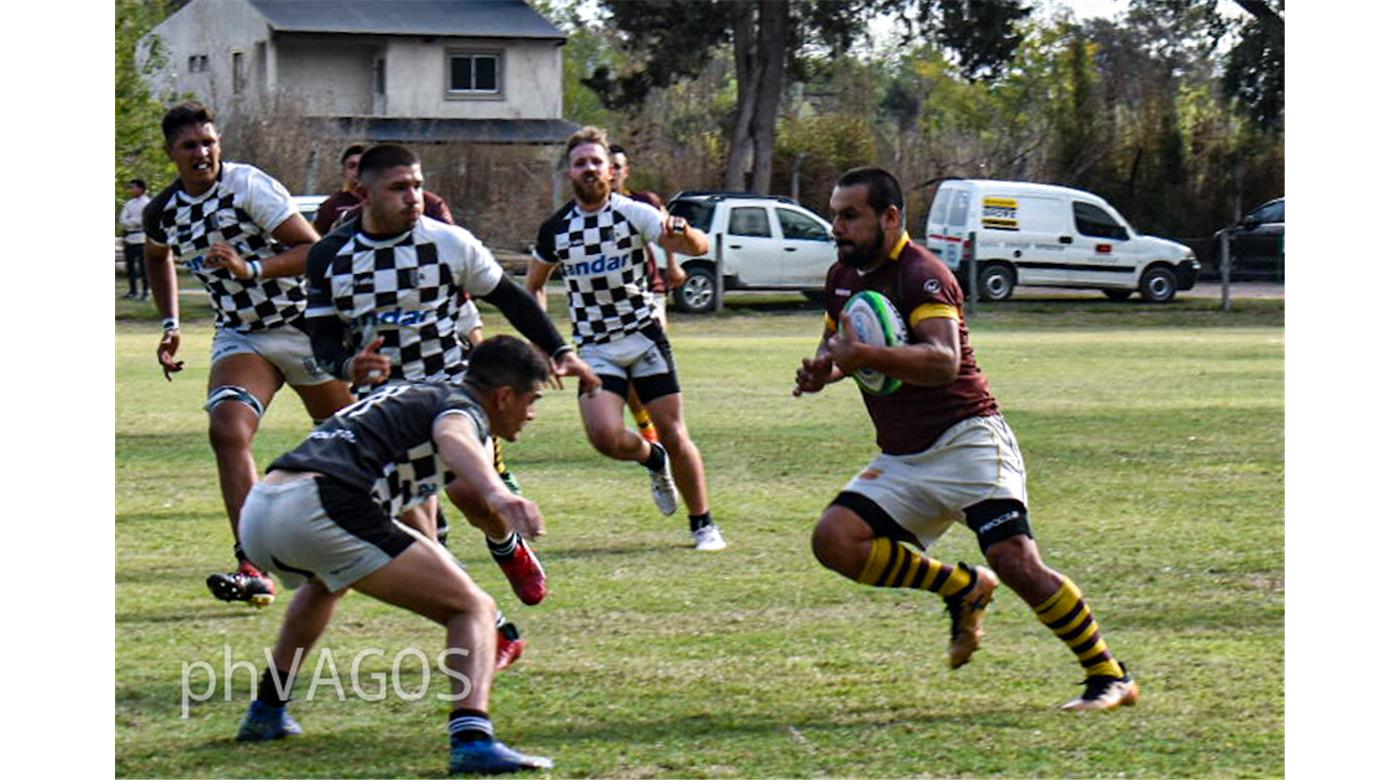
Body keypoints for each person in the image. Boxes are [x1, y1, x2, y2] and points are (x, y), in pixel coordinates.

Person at [794, 167, 1139, 712]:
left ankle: (1109, 675)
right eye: (835, 214)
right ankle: (959, 587)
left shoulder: (922, 274)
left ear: (889, 218)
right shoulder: (843, 275)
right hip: (905, 455)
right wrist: (824, 372)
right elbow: (839, 347)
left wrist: (862, 359)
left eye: (849, 215)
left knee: (1016, 561)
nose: (837, 226)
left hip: (968, 441)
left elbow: (941, 361)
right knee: (835, 540)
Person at [234, 335, 556, 775]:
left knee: (328, 583)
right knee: (473, 609)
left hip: (262, 508)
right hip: (321, 504)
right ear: (503, 396)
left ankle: (267, 710)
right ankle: (473, 740)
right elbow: (453, 434)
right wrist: (498, 494)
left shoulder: (414, 395)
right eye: (531, 400)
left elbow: (409, 516)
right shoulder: (463, 409)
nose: (532, 414)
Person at [304, 143, 601, 610]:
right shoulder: (328, 257)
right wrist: (347, 365)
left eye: (418, 185)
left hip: (452, 393)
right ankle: (490, 623)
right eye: (400, 188)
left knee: (471, 497)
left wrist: (560, 349)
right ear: (362, 192)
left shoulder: (448, 242)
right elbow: (321, 341)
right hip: (384, 409)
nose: (414, 197)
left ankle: (506, 547)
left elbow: (510, 297)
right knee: (419, 532)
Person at [142, 101, 355, 608]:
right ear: (171, 153)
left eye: (209, 142)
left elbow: (314, 251)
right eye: (190, 146)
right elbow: (157, 257)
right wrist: (170, 323)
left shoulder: (246, 187)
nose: (203, 153)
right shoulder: (163, 211)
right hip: (243, 335)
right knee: (227, 430)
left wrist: (251, 269)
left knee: (353, 435)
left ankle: (420, 528)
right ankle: (254, 564)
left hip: (302, 325)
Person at [526, 126, 726, 551]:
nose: (589, 169)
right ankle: (653, 460)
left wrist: (683, 231)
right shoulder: (556, 228)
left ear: (610, 170)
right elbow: (534, 287)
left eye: (596, 162)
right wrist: (547, 344)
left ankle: (704, 525)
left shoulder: (634, 212)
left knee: (674, 431)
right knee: (604, 436)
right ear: (569, 172)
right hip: (596, 347)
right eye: (580, 163)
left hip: (644, 336)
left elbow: (698, 246)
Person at [608, 143, 688, 446]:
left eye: (618, 166)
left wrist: (673, 266)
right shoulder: (592, 212)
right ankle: (648, 430)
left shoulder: (644, 202)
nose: (613, 172)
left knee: (646, 356)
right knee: (627, 374)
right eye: (609, 165)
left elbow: (669, 234)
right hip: (612, 304)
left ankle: (665, 427)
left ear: (626, 171)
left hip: (649, 293)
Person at [314, 144, 457, 236]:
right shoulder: (334, 209)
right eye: (352, 166)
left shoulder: (432, 205)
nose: (412, 198)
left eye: (417, 186)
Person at [119, 178, 151, 299]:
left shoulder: (147, 203)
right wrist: (134, 222)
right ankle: (133, 291)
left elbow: (145, 220)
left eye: (133, 187)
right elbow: (123, 220)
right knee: (130, 266)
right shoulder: (129, 204)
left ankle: (145, 291)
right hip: (130, 238)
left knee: (144, 267)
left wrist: (132, 221)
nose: (131, 190)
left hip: (142, 238)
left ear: (141, 189)